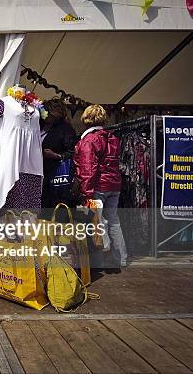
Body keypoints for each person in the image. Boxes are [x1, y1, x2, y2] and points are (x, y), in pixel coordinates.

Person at [74, 104, 128, 267]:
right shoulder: (112, 138)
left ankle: (102, 251)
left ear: (86, 119)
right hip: (114, 186)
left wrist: (86, 193)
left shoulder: (89, 140)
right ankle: (121, 258)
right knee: (113, 220)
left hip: (97, 187)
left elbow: (88, 168)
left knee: (96, 220)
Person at [41, 98, 78, 214]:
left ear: (54, 113)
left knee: (56, 207)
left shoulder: (65, 129)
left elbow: (73, 152)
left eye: (46, 112)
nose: (44, 114)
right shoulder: (41, 125)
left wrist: (56, 156)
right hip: (43, 172)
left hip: (57, 175)